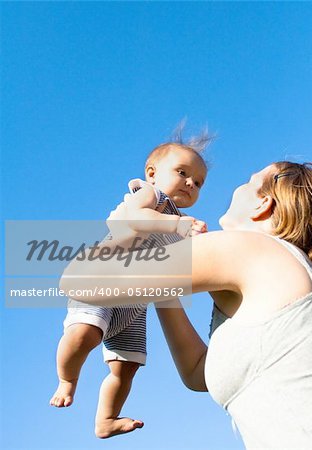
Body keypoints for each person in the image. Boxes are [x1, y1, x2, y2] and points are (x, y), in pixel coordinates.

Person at [60, 161, 312, 449]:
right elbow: (198, 372)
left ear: (262, 204)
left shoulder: (251, 248)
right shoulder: (272, 276)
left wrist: (125, 224)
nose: (235, 187)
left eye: (249, 182)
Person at [50, 137, 208, 439]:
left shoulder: (181, 221)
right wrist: (177, 226)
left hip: (135, 303)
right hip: (104, 279)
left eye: (199, 182)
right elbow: (136, 219)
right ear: (152, 173)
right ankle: (67, 380)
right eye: (182, 172)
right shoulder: (151, 195)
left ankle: (106, 419)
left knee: (127, 367)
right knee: (84, 334)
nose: (190, 183)